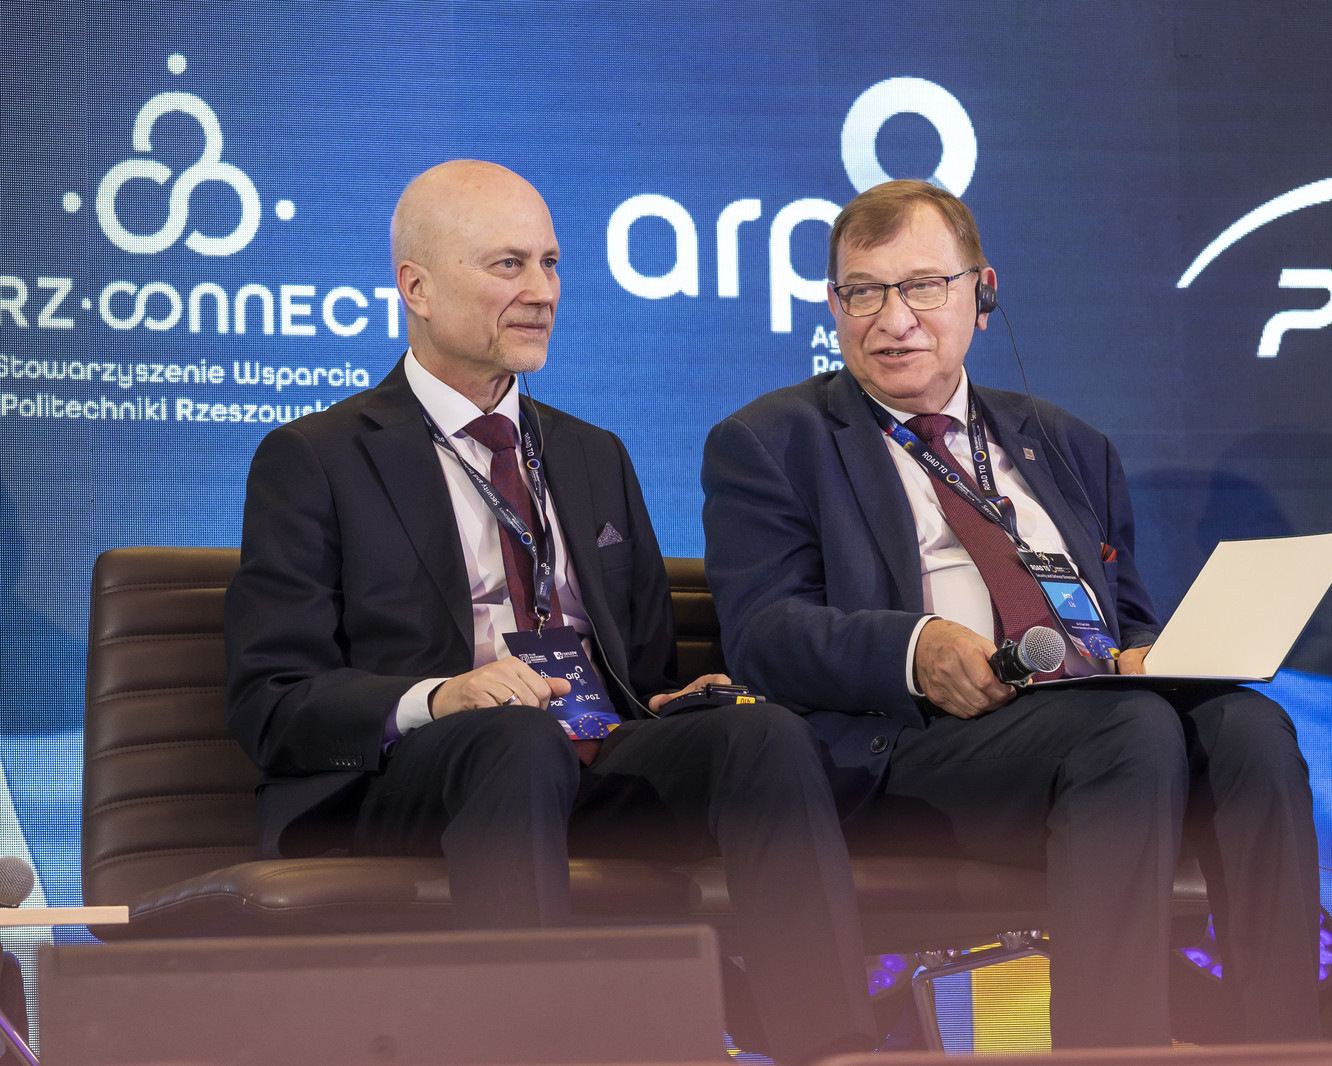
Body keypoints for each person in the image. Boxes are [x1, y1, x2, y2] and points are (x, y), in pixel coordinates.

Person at [224, 160, 877, 1064]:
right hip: (409, 781)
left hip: (584, 762)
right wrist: (441, 697)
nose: (542, 292)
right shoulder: (317, 458)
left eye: (551, 263)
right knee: (513, 735)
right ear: (416, 287)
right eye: (508, 265)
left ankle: (835, 1047)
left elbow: (640, 671)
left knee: (761, 735)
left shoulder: (592, 454)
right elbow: (273, 700)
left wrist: (678, 702)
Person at [701, 179, 1323, 1047]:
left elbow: (1127, 616)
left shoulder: (1067, 444)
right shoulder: (773, 442)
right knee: (1133, 733)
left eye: (923, 286)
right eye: (863, 292)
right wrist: (914, 648)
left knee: (1251, 729)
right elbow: (764, 632)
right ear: (834, 306)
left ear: (982, 294)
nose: (893, 319)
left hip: (1094, 719)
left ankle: (1286, 1046)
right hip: (909, 748)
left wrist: (1146, 653)